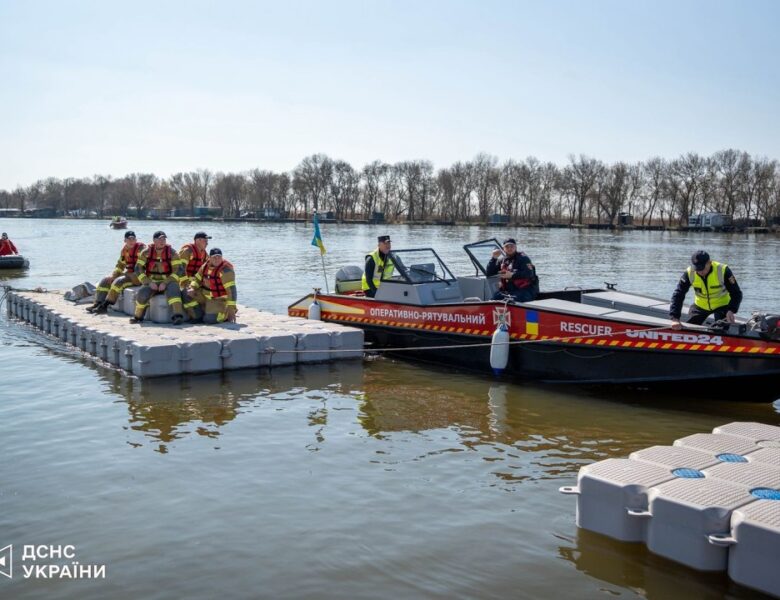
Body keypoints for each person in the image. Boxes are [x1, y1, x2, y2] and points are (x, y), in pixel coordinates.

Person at [670, 250, 742, 329]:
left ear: (709, 263)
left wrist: (731, 310)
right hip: (700, 306)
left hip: (722, 306)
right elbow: (678, 294)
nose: (700, 271)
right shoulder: (689, 273)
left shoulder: (723, 270)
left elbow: (737, 293)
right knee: (690, 327)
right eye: (697, 268)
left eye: (702, 268)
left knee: (721, 329)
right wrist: (675, 318)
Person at [130, 231, 186, 325]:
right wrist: (148, 282)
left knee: (174, 291)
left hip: (168, 281)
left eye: (164, 239)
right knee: (142, 294)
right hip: (152, 281)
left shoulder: (172, 253)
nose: (162, 241)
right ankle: (138, 317)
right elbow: (138, 269)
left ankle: (177, 316)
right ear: (154, 240)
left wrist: (166, 282)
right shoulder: (146, 253)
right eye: (160, 239)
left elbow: (179, 270)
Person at [87, 231, 146, 313]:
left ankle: (105, 306)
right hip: (129, 274)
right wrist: (113, 276)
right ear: (125, 240)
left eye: (133, 239)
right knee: (106, 280)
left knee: (119, 281)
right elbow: (120, 265)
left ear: (136, 240)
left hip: (139, 277)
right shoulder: (124, 251)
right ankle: (98, 303)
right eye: (129, 239)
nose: (132, 241)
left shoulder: (142, 249)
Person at [183, 248, 237, 324]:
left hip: (218, 299)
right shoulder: (204, 266)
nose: (217, 259)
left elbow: (232, 291)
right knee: (185, 292)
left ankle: (226, 313)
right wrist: (192, 288)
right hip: (205, 296)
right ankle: (197, 316)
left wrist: (231, 309)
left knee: (209, 320)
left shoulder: (225, 270)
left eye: (219, 257)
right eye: (214, 257)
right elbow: (196, 279)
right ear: (210, 258)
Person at [486, 238, 539, 302]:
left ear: (515, 247)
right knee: (494, 299)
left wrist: (512, 275)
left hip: (525, 291)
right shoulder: (502, 260)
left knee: (511, 301)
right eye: (507, 247)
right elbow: (489, 273)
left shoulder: (523, 258)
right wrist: (494, 258)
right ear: (503, 249)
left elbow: (529, 274)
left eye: (512, 246)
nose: (509, 248)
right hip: (510, 291)